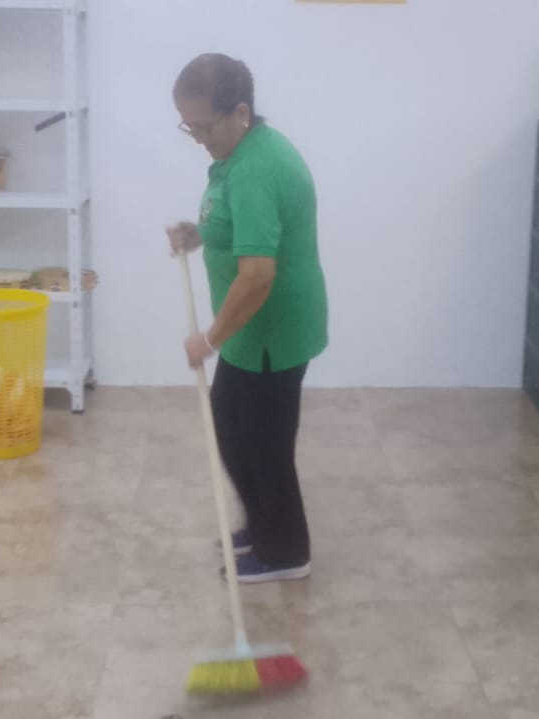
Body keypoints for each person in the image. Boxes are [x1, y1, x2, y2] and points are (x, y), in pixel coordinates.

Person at [166, 53, 328, 584]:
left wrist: (209, 339)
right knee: (234, 426)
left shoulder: (256, 169)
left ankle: (286, 552)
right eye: (188, 127)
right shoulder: (241, 150)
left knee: (263, 444)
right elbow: (241, 228)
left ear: (239, 112)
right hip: (251, 330)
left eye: (204, 127)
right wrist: (200, 233)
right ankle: (263, 526)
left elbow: (257, 276)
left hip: (270, 331)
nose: (198, 139)